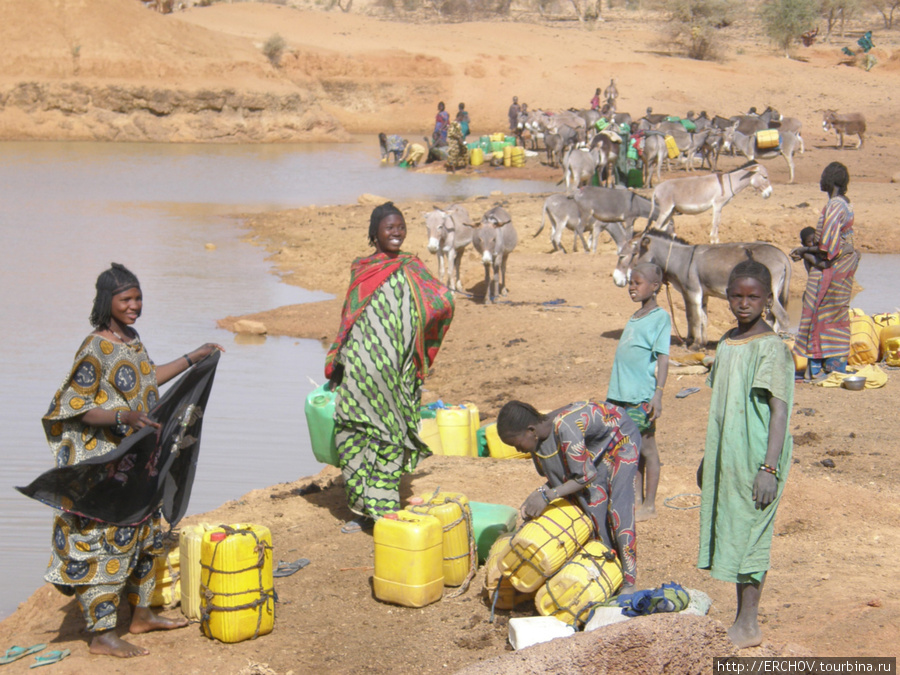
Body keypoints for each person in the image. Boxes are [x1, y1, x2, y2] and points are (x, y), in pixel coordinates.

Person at [42, 263, 222, 658]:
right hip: (107, 464)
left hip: (138, 460)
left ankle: (140, 614)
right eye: (126, 299)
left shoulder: (132, 340)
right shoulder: (94, 348)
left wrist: (194, 357)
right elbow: (75, 407)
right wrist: (123, 416)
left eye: (138, 298)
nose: (135, 306)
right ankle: (102, 635)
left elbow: (146, 379)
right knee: (104, 544)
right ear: (108, 302)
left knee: (144, 536)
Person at [325, 202, 455, 533]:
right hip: (362, 371)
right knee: (353, 434)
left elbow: (441, 300)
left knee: (391, 437)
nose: (396, 232)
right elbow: (349, 317)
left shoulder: (413, 267)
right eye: (389, 228)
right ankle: (359, 508)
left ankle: (382, 511)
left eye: (400, 227)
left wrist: (422, 330)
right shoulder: (362, 269)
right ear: (375, 234)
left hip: (398, 372)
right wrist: (340, 361)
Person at [697, 258, 793, 649]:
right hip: (729, 454)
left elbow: (780, 410)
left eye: (753, 297)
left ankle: (749, 624)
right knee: (734, 528)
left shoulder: (772, 349)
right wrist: (710, 460)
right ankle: (740, 618)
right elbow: (722, 403)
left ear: (768, 299)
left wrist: (768, 467)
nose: (744, 303)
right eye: (736, 296)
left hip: (757, 456)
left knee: (752, 534)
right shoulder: (725, 343)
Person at [497, 400, 640, 593]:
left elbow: (585, 477)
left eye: (516, 444)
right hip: (594, 448)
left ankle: (629, 581)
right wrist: (538, 495)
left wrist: (547, 496)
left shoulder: (566, 428)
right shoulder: (538, 443)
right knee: (594, 505)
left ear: (531, 430)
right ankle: (609, 565)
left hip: (619, 439)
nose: (517, 451)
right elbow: (562, 479)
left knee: (618, 509)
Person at [607, 262, 670, 522]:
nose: (632, 287)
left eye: (638, 282)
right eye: (631, 282)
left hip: (640, 398)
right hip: (620, 395)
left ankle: (650, 505)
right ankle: (637, 501)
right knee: (629, 450)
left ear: (654, 287)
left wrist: (659, 394)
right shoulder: (635, 316)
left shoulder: (660, 318)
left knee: (647, 449)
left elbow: (663, 358)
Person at [792, 162, 860, 378]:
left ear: (829, 180)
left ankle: (818, 370)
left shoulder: (833, 206)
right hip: (844, 267)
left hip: (832, 267)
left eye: (823, 177)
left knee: (818, 313)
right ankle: (836, 367)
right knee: (837, 314)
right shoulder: (846, 204)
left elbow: (828, 247)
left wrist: (804, 250)